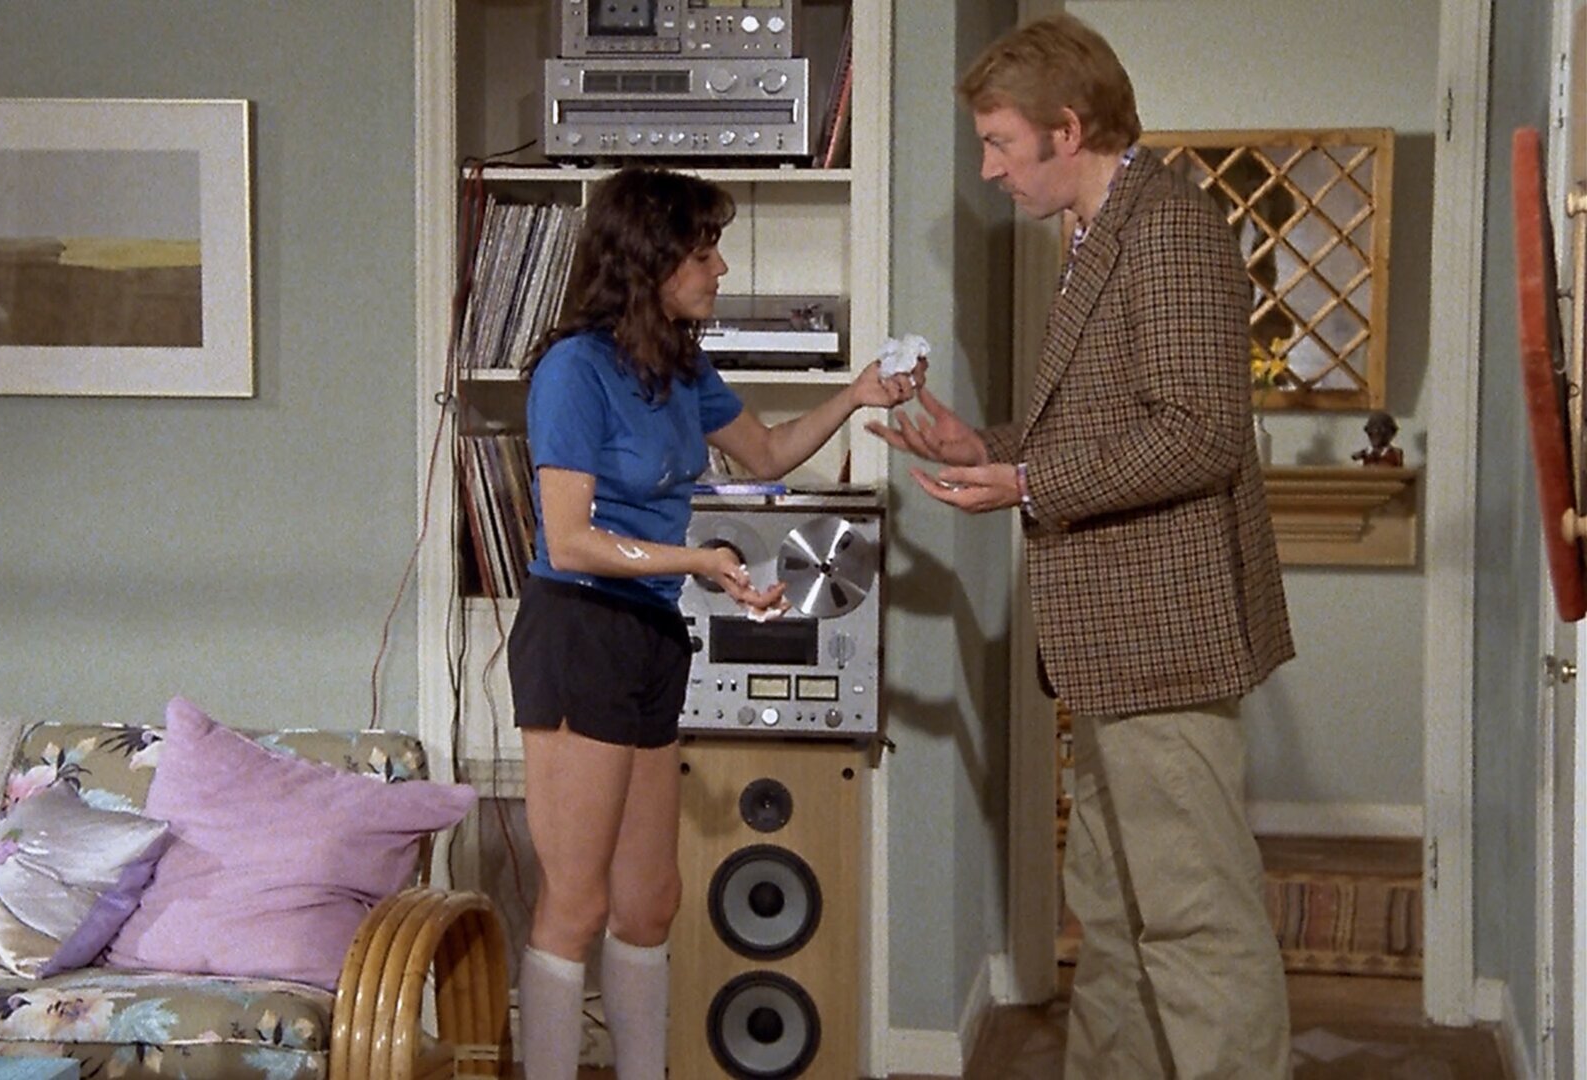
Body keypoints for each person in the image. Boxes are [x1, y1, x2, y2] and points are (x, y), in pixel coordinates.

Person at [867, 14, 1296, 1079]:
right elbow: (1112, 422)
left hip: (1166, 638)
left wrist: (1027, 483)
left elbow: (1200, 432)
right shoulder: (1099, 231)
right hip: (1110, 644)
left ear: (1067, 128)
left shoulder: (1169, 229)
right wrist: (989, 446)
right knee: (1112, 910)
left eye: (1000, 143)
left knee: (1195, 919)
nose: (988, 169)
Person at [508, 165, 920, 1080]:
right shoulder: (573, 371)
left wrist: (857, 395)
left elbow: (766, 454)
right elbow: (571, 541)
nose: (721, 268)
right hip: (578, 632)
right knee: (575, 907)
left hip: (651, 634)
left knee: (650, 901)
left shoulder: (679, 366)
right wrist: (699, 562)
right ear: (649, 261)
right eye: (703, 252)